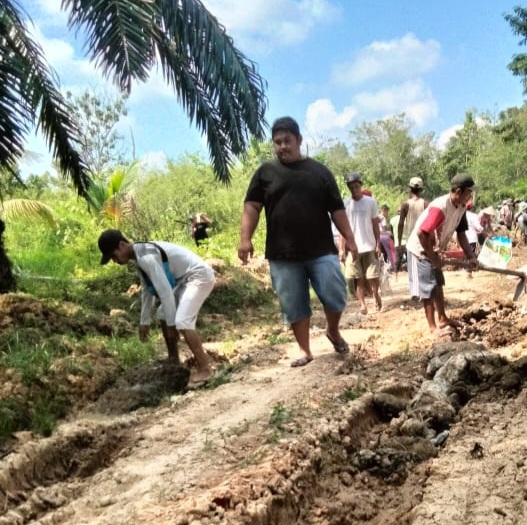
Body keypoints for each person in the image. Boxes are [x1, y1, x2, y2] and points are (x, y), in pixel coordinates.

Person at [238, 116, 358, 367]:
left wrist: (350, 237)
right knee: (293, 303)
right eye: (277, 142)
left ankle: (333, 331)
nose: (282, 146)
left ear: (299, 140)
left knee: (335, 294)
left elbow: (337, 209)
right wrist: (245, 239)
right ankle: (305, 350)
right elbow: (252, 206)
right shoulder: (265, 173)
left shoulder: (319, 172)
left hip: (321, 250)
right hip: (282, 254)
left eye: (287, 141)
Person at [97, 229, 215, 387]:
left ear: (122, 245)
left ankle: (205, 368)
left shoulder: (146, 256)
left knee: (182, 321)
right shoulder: (139, 256)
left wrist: (172, 325)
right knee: (162, 313)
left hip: (198, 276)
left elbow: (165, 292)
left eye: (114, 256)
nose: (115, 260)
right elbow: (147, 290)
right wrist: (144, 322)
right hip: (185, 280)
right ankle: (174, 357)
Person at [406, 173, 477, 336]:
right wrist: (433, 257)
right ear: (458, 192)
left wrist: (471, 256)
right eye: (468, 193)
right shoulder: (440, 208)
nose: (469, 196)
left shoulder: (461, 207)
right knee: (428, 288)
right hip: (420, 250)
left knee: (438, 284)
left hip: (433, 250)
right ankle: (432, 327)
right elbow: (421, 232)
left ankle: (443, 318)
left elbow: (461, 234)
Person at [343, 172, 382, 314]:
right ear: (348, 188)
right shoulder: (346, 204)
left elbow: (375, 225)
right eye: (351, 187)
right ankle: (362, 305)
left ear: (361, 185)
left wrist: (378, 244)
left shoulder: (371, 202)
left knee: (373, 277)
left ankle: (376, 294)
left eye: (356, 186)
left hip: (369, 245)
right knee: (357, 278)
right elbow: (344, 227)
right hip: (354, 248)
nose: (354, 189)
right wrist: (342, 249)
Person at [397, 177, 428, 270]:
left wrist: (399, 243)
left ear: (410, 189)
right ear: (421, 189)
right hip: (424, 241)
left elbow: (401, 224)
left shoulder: (405, 205)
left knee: (413, 269)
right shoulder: (426, 204)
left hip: (411, 241)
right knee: (424, 267)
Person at [464, 200, 483, 279]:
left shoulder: (462, 214)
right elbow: (478, 227)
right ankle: (469, 272)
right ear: (472, 207)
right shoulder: (473, 216)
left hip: (463, 238)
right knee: (471, 254)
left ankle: (467, 269)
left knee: (466, 254)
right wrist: (483, 230)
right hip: (472, 238)